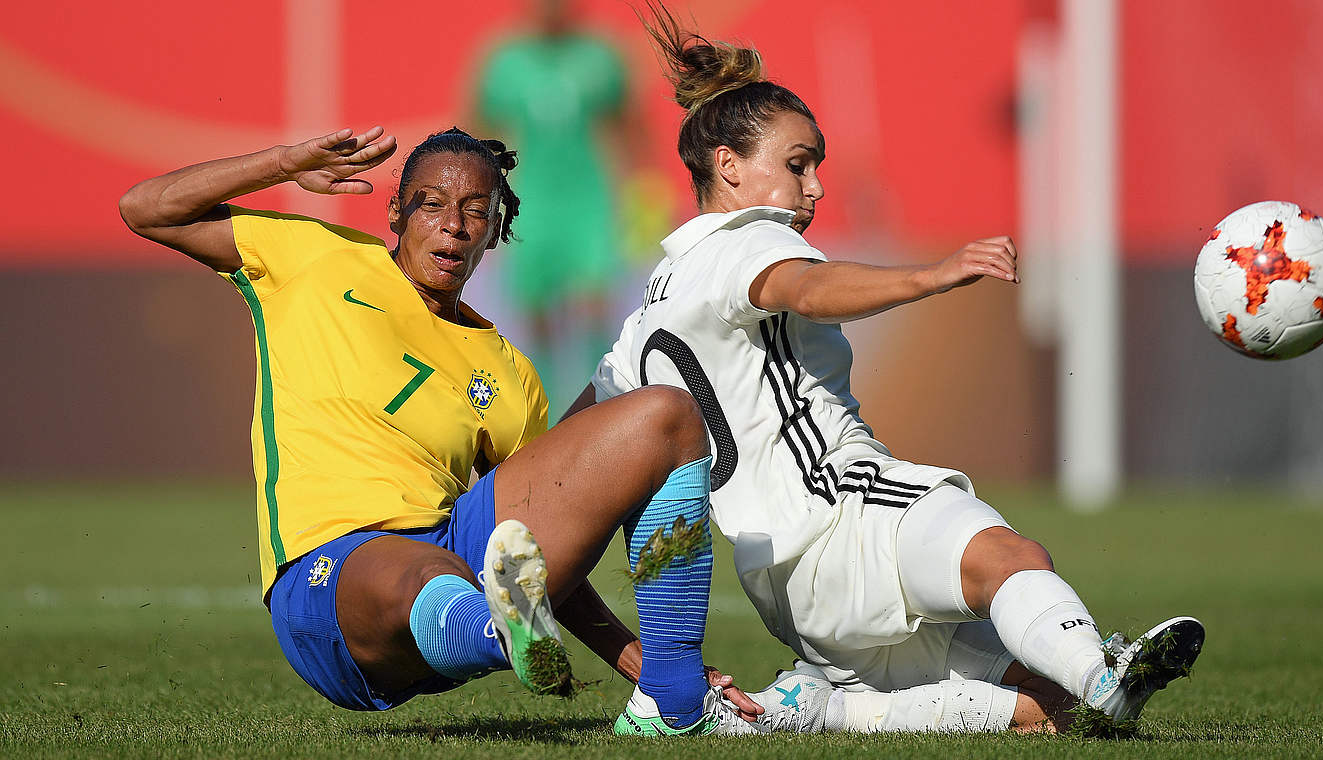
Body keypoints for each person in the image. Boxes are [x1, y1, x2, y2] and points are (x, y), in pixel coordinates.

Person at [572, 4, 1205, 735]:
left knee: (1045, 710)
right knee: (1010, 558)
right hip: (842, 509)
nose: (814, 188)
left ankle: (823, 707)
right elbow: (806, 288)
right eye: (798, 165)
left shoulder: (648, 312)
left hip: (781, 585)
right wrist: (932, 275)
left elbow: (580, 440)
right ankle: (1104, 671)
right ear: (729, 167)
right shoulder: (748, 239)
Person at [117, 125, 760, 736]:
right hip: (331, 580)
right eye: (431, 204)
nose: (453, 224)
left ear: (496, 229)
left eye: (476, 210)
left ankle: (673, 692)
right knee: (426, 573)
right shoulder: (317, 257)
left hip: (452, 549)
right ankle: (487, 627)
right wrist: (284, 165)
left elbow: (532, 556)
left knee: (669, 416)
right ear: (396, 213)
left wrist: (633, 660)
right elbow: (145, 209)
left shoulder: (507, 371)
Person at [475, 0, 633, 414]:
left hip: (588, 200)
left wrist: (639, 186)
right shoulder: (506, 62)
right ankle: (545, 415)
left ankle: (602, 407)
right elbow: (481, 129)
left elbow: (626, 124)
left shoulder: (599, 56)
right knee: (538, 313)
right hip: (532, 199)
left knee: (595, 306)